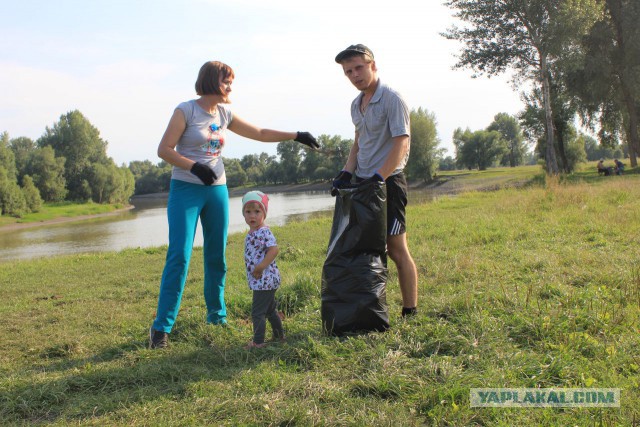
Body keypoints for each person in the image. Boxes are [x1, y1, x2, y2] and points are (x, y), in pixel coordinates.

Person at [149, 61, 318, 349]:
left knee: (217, 256)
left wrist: (296, 135)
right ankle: (161, 329)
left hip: (216, 190)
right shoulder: (186, 111)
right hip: (186, 190)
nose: (230, 87)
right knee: (179, 255)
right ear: (212, 82)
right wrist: (193, 167)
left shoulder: (224, 112)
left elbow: (260, 132)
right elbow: (164, 149)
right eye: (227, 81)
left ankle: (217, 317)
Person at [333, 44, 419, 318]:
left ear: (373, 65)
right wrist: (347, 172)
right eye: (348, 72)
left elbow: (401, 143)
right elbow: (359, 142)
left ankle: (410, 310)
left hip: (388, 184)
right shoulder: (355, 105)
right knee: (368, 248)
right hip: (363, 185)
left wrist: (379, 177)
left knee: (396, 249)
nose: (354, 75)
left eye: (358, 67)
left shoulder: (392, 99)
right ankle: (371, 308)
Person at [241, 191, 285, 348]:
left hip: (264, 280)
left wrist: (260, 267)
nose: (252, 216)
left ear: (264, 213)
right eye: (248, 212)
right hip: (262, 280)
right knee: (270, 311)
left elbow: (274, 250)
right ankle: (280, 335)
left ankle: (258, 342)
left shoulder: (264, 231)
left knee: (257, 313)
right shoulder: (253, 231)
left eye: (257, 211)